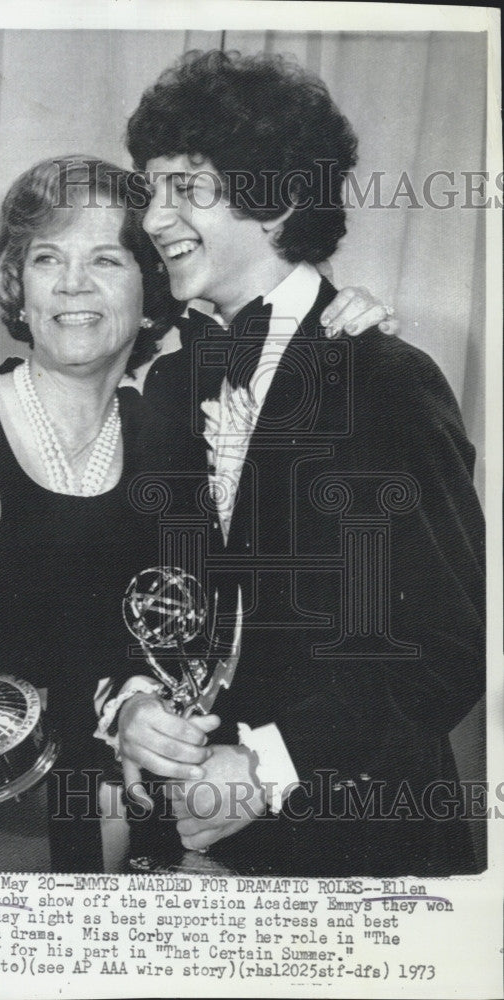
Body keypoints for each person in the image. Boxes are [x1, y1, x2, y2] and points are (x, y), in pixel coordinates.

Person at [0, 150, 395, 873]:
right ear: (17, 289)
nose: (73, 284)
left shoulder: (173, 437)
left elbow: (196, 634)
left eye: (108, 261)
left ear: (152, 292)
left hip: (118, 821)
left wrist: (340, 332)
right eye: (47, 258)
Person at [114, 51, 485, 876]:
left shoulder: (387, 379)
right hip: (183, 844)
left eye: (185, 188)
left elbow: (447, 646)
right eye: (150, 189)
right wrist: (132, 705)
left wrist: (260, 768)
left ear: (276, 199)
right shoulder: (174, 379)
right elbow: (146, 590)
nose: (153, 218)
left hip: (351, 844)